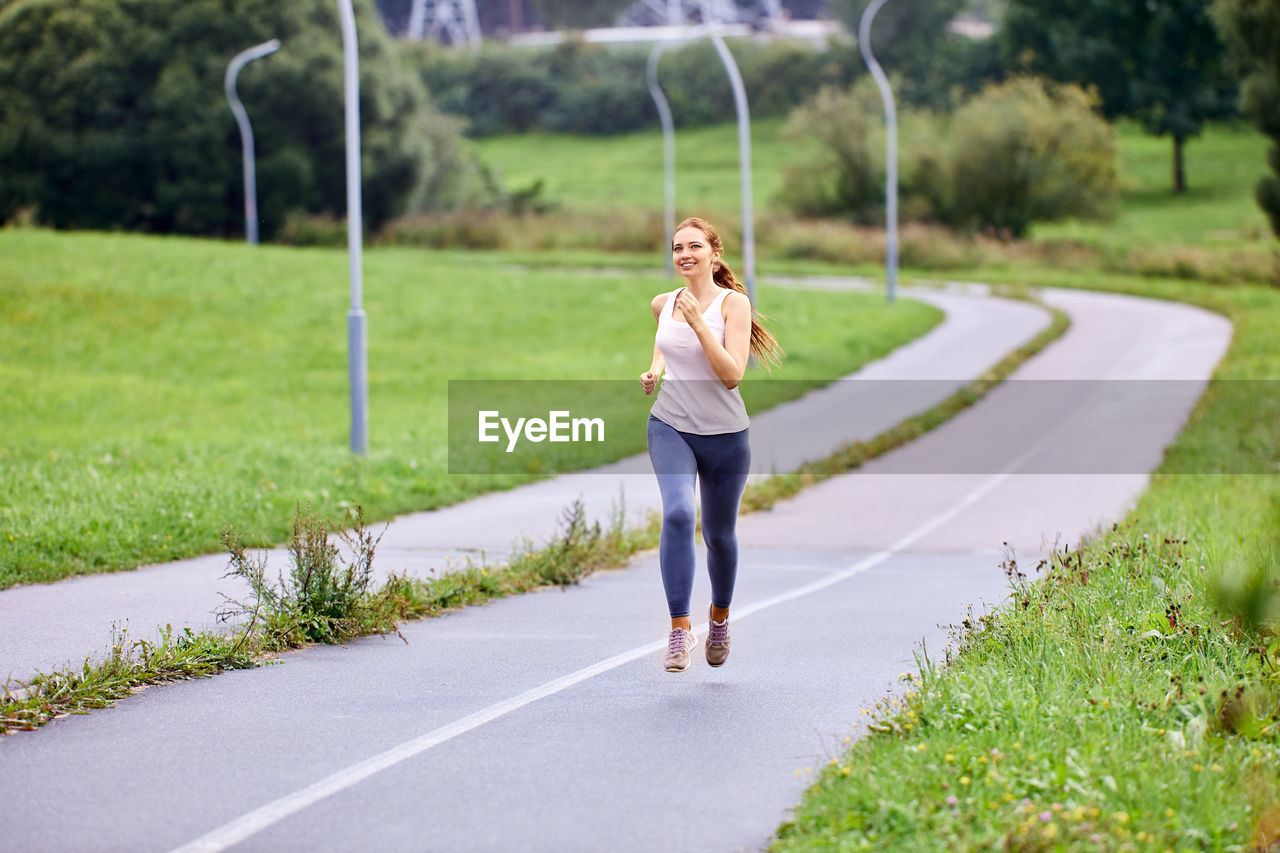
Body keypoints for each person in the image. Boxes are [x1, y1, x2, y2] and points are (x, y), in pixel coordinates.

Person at [640, 216, 782, 673]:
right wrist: (655, 369)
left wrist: (701, 324)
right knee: (679, 513)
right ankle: (679, 629)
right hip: (671, 424)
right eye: (678, 247)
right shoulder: (664, 303)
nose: (684, 254)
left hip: (725, 436)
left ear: (714, 253)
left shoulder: (732, 305)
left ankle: (718, 618)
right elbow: (665, 341)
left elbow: (731, 375)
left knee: (719, 536)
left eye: (694, 246)